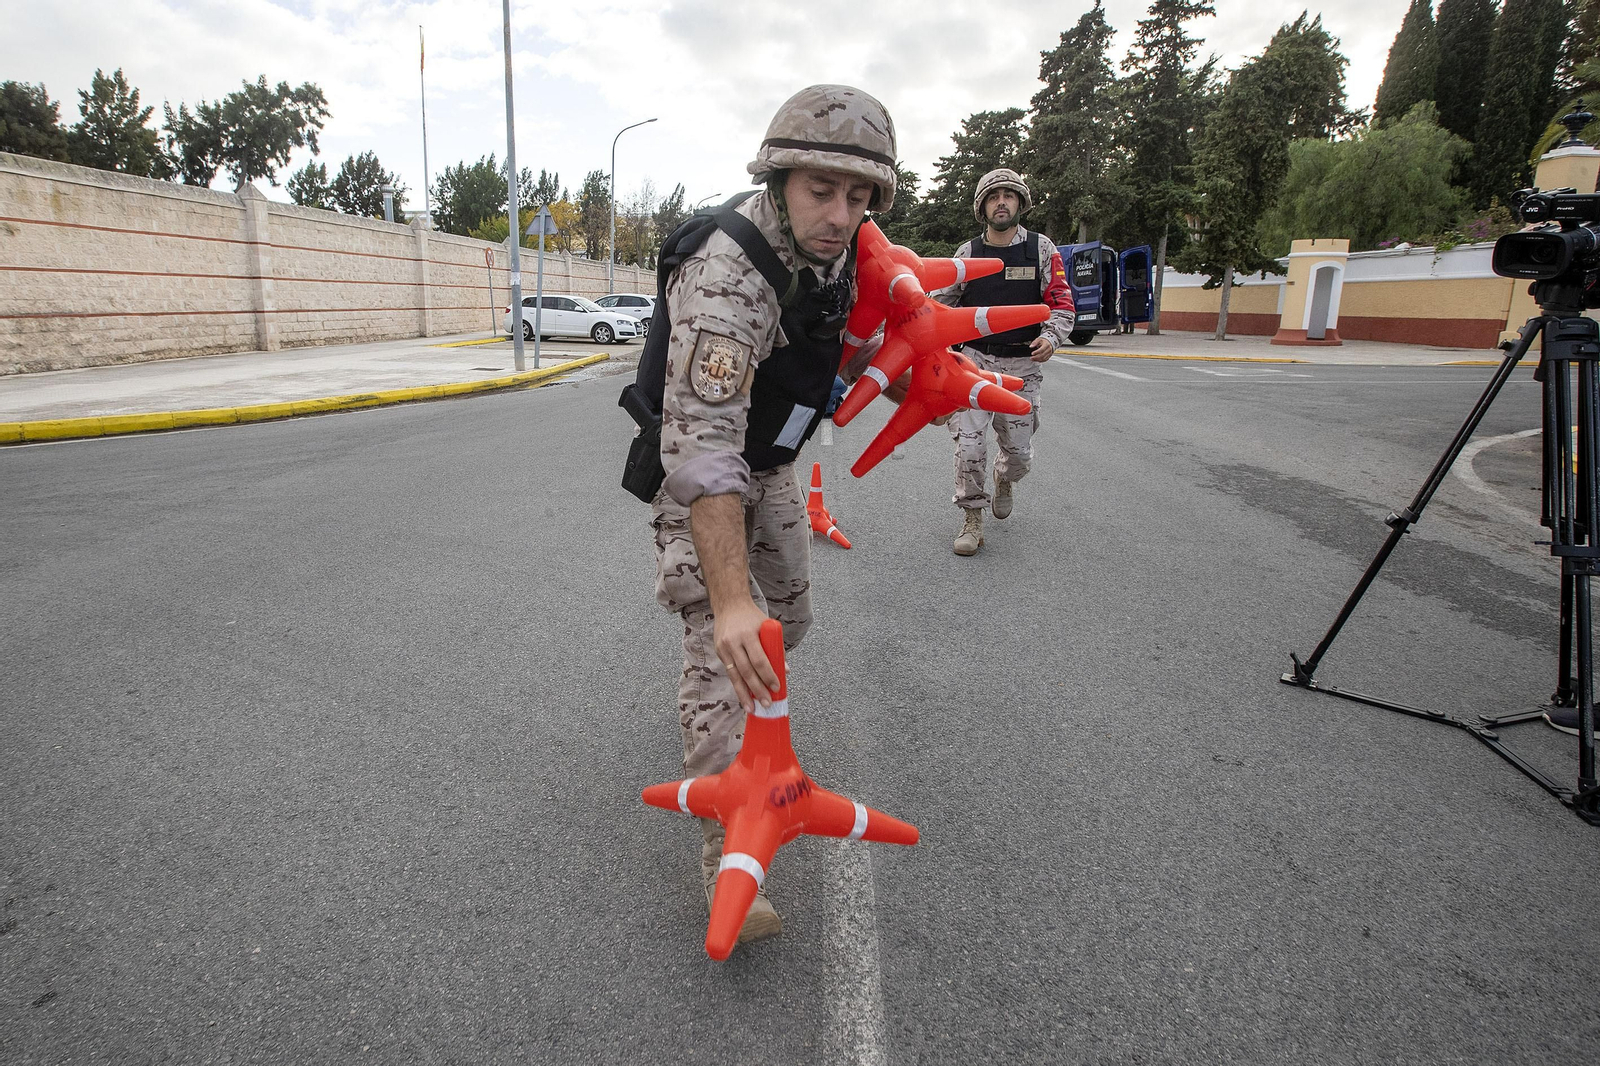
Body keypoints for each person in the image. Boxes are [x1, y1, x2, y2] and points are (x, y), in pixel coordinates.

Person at [650, 85, 898, 948]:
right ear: (781, 178)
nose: (841, 214)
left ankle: (754, 727)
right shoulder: (730, 277)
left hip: (774, 467)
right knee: (731, 641)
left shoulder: (848, 250)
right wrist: (725, 601)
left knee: (787, 622)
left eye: (860, 196)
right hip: (700, 475)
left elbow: (873, 334)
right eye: (822, 191)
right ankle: (732, 842)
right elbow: (705, 448)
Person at [934, 168, 1075, 556]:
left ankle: (1004, 478)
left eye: (1009, 196)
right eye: (993, 197)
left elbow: (1062, 303)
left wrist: (1051, 337)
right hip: (975, 364)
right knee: (968, 445)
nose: (1001, 202)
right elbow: (939, 308)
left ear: (1020, 203)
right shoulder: (967, 254)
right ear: (982, 207)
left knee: (1019, 455)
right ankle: (972, 517)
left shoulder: (1042, 250)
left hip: (1023, 367)